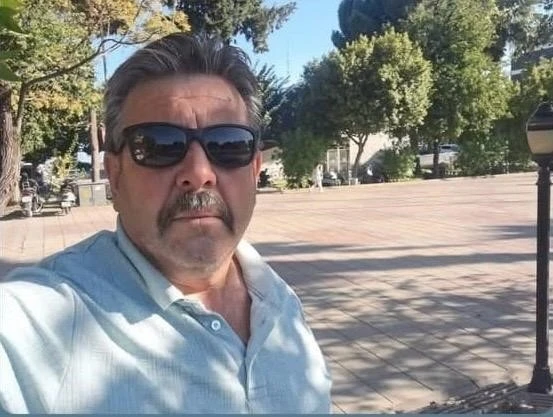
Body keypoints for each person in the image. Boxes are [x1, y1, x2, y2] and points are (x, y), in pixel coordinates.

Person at [0, 33, 331, 414]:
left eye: (228, 144)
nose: (199, 173)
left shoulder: (279, 301)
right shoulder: (41, 322)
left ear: (255, 170)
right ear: (115, 175)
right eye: (159, 145)